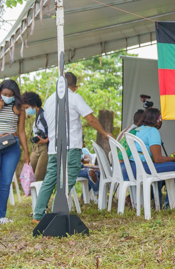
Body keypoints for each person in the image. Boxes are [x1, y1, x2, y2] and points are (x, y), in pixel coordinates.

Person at [34, 72, 112, 223]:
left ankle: (38, 215)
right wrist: (103, 133)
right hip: (70, 145)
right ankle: (57, 211)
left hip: (53, 147)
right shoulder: (74, 97)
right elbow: (89, 117)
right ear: (75, 87)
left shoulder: (50, 100)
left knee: (50, 178)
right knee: (70, 173)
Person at [0, 80, 29, 224]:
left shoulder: (19, 108)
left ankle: (1, 216)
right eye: (4, 94)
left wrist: (26, 153)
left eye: (10, 95)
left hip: (11, 146)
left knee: (5, 182)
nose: (7, 97)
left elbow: (22, 131)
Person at [22, 91, 49, 182]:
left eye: (27, 107)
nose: (26, 110)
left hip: (46, 147)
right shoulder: (37, 117)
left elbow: (54, 130)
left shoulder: (45, 115)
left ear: (33, 104)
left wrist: (46, 140)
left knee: (39, 176)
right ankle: (33, 194)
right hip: (38, 147)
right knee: (29, 171)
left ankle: (40, 195)